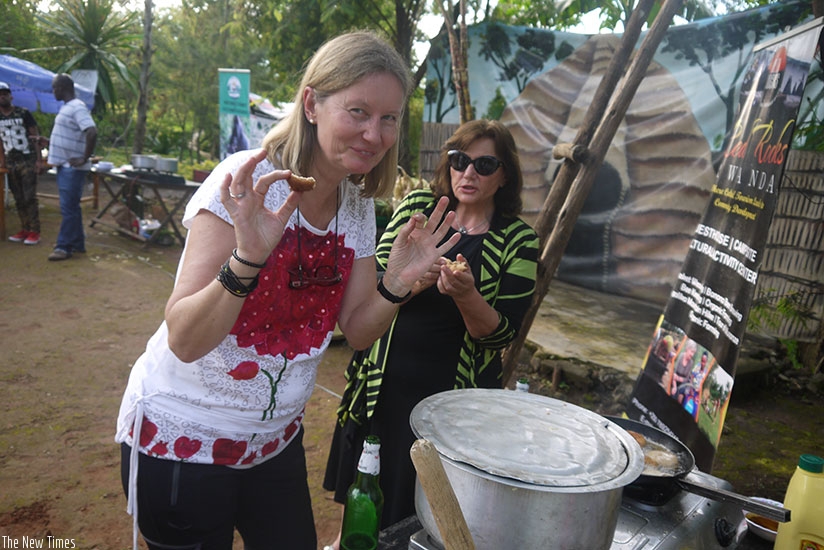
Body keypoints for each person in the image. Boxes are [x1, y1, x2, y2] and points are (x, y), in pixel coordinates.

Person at [115, 31, 461, 550]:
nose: (375, 133)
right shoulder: (247, 183)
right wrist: (248, 258)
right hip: (183, 442)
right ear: (312, 104)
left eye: (388, 118)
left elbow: (360, 332)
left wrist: (397, 283)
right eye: (358, 112)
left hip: (274, 443)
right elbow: (185, 339)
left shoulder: (356, 206)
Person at [322, 119, 540, 546]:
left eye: (484, 163)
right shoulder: (419, 206)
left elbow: (500, 336)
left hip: (453, 405)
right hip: (383, 387)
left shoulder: (519, 240)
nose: (468, 173)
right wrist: (408, 280)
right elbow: (376, 283)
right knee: (369, 499)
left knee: (430, 512)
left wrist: (466, 295)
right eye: (459, 160)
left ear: (505, 175)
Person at [45, 73, 97, 261]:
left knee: (68, 208)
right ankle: (77, 244)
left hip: (72, 168)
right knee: (72, 208)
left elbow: (91, 131)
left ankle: (63, 247)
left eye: (54, 88)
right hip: (65, 166)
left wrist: (84, 157)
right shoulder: (68, 107)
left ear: (62, 88)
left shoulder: (77, 107)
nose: (53, 92)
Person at [0, 81, 44, 245]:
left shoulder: (23, 113)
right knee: (18, 198)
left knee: (29, 197)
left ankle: (35, 231)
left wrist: (39, 160)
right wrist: (3, 162)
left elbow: (35, 137)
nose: (2, 97)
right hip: (11, 163)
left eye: (4, 94)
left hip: (27, 161)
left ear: (10, 96)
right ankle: (24, 228)